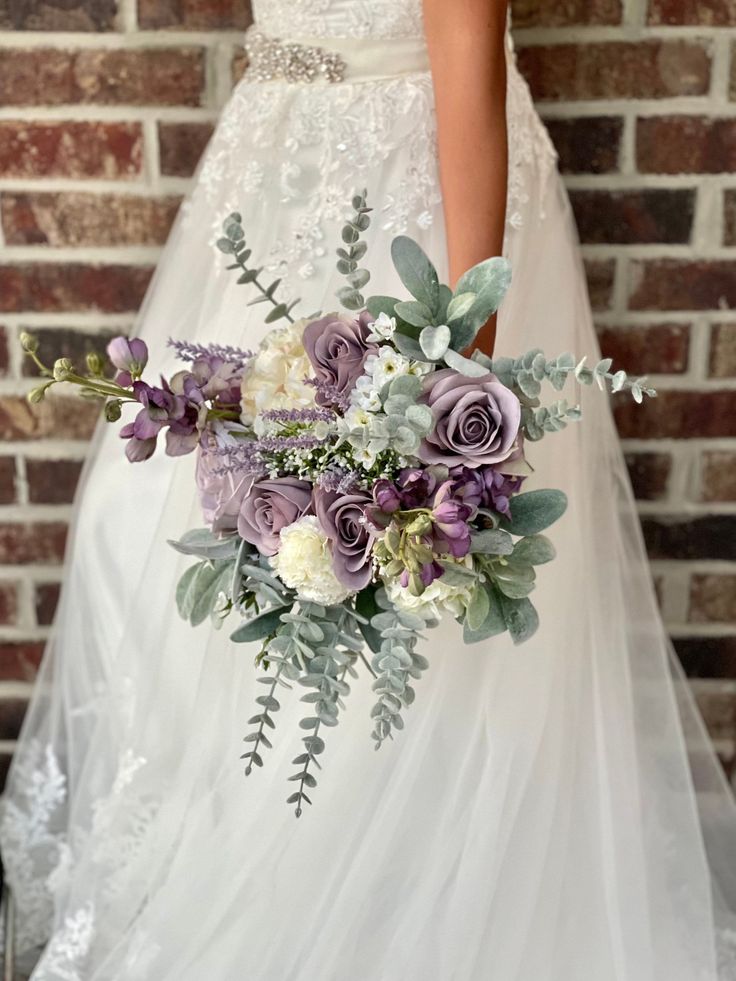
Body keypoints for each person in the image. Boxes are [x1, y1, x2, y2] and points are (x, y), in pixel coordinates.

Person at [2, 1, 735, 978]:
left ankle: (366, 918)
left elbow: (466, 67)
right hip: (271, 172)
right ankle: (250, 873)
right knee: (163, 538)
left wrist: (456, 374)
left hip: (416, 200)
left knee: (393, 594)